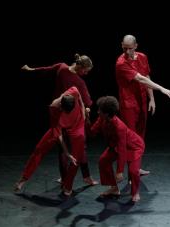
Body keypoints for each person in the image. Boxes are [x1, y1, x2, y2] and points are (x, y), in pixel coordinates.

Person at [21, 54, 97, 185]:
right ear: (79, 66)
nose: (86, 73)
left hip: (67, 115)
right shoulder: (76, 80)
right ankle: (73, 177)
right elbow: (47, 69)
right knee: (66, 149)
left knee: (71, 149)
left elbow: (87, 103)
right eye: (85, 70)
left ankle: (80, 177)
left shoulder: (66, 70)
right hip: (64, 116)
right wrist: (31, 69)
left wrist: (30, 70)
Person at [14, 86, 94, 196]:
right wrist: (67, 153)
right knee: (39, 149)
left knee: (76, 158)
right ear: (61, 106)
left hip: (76, 125)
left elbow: (79, 97)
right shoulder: (54, 107)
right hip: (61, 126)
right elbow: (59, 135)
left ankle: (68, 186)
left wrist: (83, 114)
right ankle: (23, 179)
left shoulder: (74, 91)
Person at [115, 34, 170, 175]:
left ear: (136, 46)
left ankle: (136, 166)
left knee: (140, 135)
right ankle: (130, 169)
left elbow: (147, 76)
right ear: (121, 46)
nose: (127, 52)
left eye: (130, 48)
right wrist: (161, 88)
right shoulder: (121, 63)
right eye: (124, 48)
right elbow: (140, 78)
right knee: (131, 137)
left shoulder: (142, 57)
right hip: (128, 103)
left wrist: (152, 99)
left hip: (141, 101)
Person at [89, 96, 144, 202]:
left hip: (134, 147)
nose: (98, 112)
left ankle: (135, 192)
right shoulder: (102, 118)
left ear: (107, 113)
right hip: (115, 146)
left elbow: (122, 150)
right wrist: (86, 118)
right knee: (103, 161)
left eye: (100, 110)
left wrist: (120, 171)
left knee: (133, 171)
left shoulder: (119, 127)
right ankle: (114, 188)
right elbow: (92, 133)